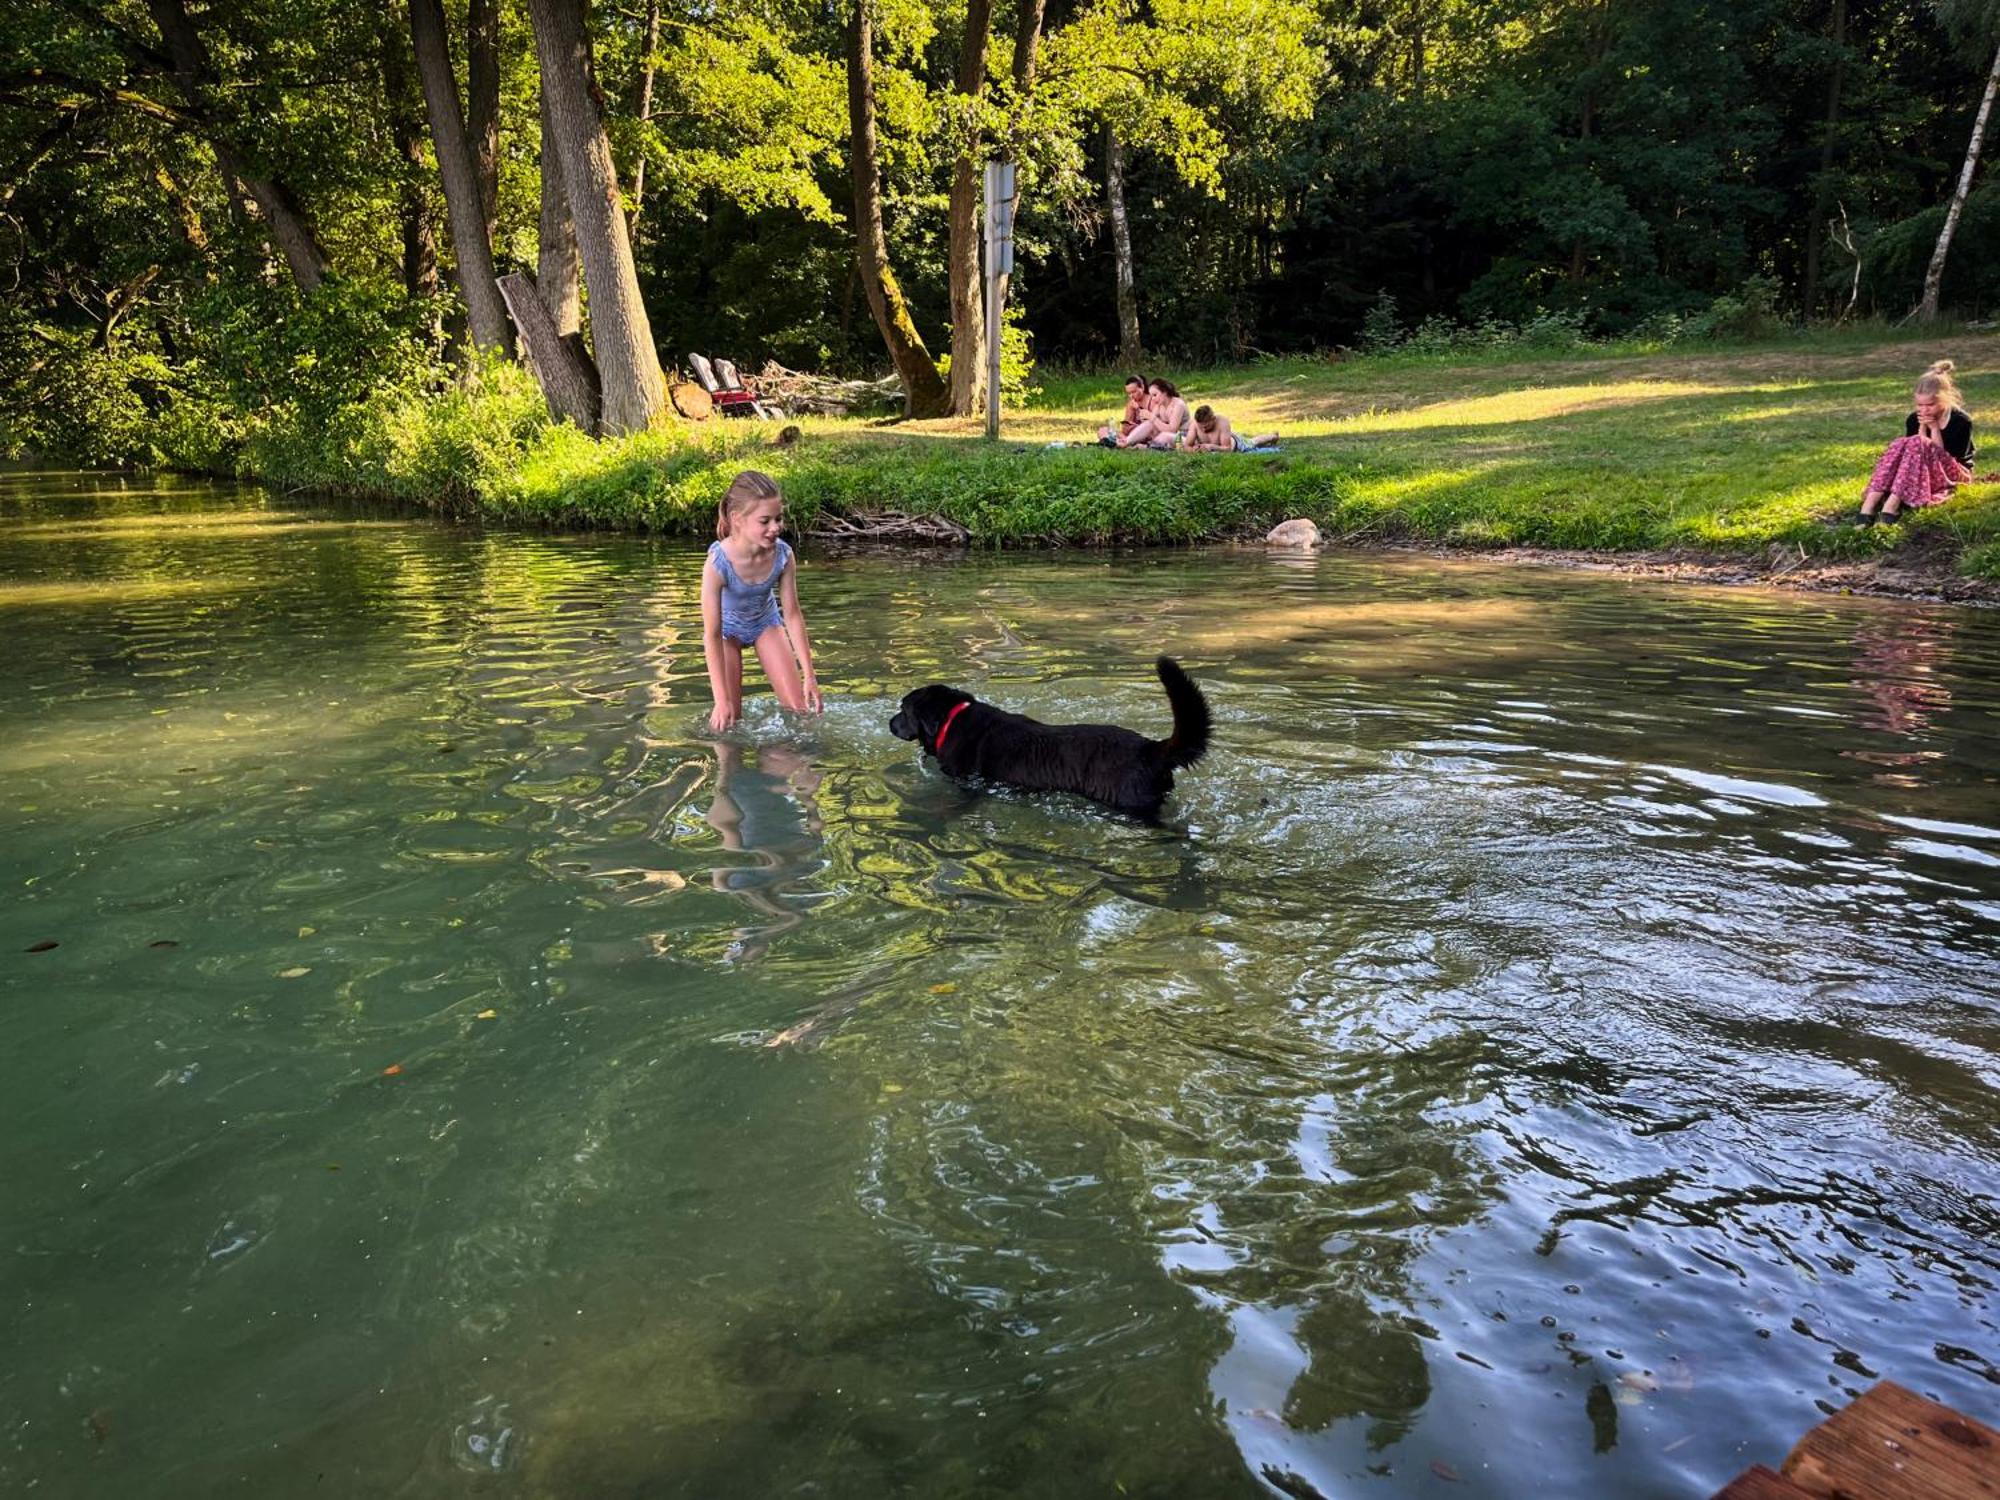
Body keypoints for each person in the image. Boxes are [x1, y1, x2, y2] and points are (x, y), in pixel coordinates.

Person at [702, 469, 822, 731]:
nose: (775, 527)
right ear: (738, 519)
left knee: (801, 715)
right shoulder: (717, 563)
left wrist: (809, 675)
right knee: (728, 719)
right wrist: (721, 700)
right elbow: (711, 634)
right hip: (726, 634)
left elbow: (791, 614)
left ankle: (795, 766)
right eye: (765, 521)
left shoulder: (783, 555)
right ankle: (727, 769)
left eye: (778, 519)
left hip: (765, 623)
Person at [1856, 360, 1976, 525]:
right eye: (1920, 405)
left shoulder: (1960, 421)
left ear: (1945, 399)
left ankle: (1892, 505)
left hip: (1955, 471)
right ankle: (1869, 504)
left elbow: (1944, 458)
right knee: (1901, 443)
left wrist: (1934, 428)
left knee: (1917, 442)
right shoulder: (1913, 419)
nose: (1924, 410)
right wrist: (1922, 427)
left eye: (1930, 405)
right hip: (1923, 469)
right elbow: (1913, 455)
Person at [1119, 377, 1191, 449]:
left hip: (1183, 437)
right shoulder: (1159, 405)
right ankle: (1126, 441)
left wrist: (1151, 417)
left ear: (1165, 392)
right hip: (1169, 435)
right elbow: (1149, 424)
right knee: (1150, 424)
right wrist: (1143, 414)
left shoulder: (1178, 404)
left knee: (1164, 436)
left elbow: (1172, 430)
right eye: (1151, 396)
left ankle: (1146, 446)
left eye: (1155, 395)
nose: (1153, 398)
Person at [1185, 405, 1279, 453]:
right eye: (1201, 426)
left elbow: (1228, 449)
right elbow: (1186, 446)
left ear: (1213, 419)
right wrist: (1194, 450)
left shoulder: (1222, 421)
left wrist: (1212, 447)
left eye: (1206, 426)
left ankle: (1272, 436)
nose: (1203, 429)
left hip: (1234, 444)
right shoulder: (1194, 425)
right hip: (1214, 447)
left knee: (1252, 442)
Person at [1098, 374, 1149, 445]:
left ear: (1142, 387)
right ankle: (1114, 442)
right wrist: (1131, 411)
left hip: (1144, 436)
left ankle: (1117, 442)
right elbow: (1125, 430)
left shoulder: (1151, 400)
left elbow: (1151, 427)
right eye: (1129, 393)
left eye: (1134, 392)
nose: (1131, 396)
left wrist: (1138, 409)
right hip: (1130, 436)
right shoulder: (1131, 403)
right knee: (1103, 430)